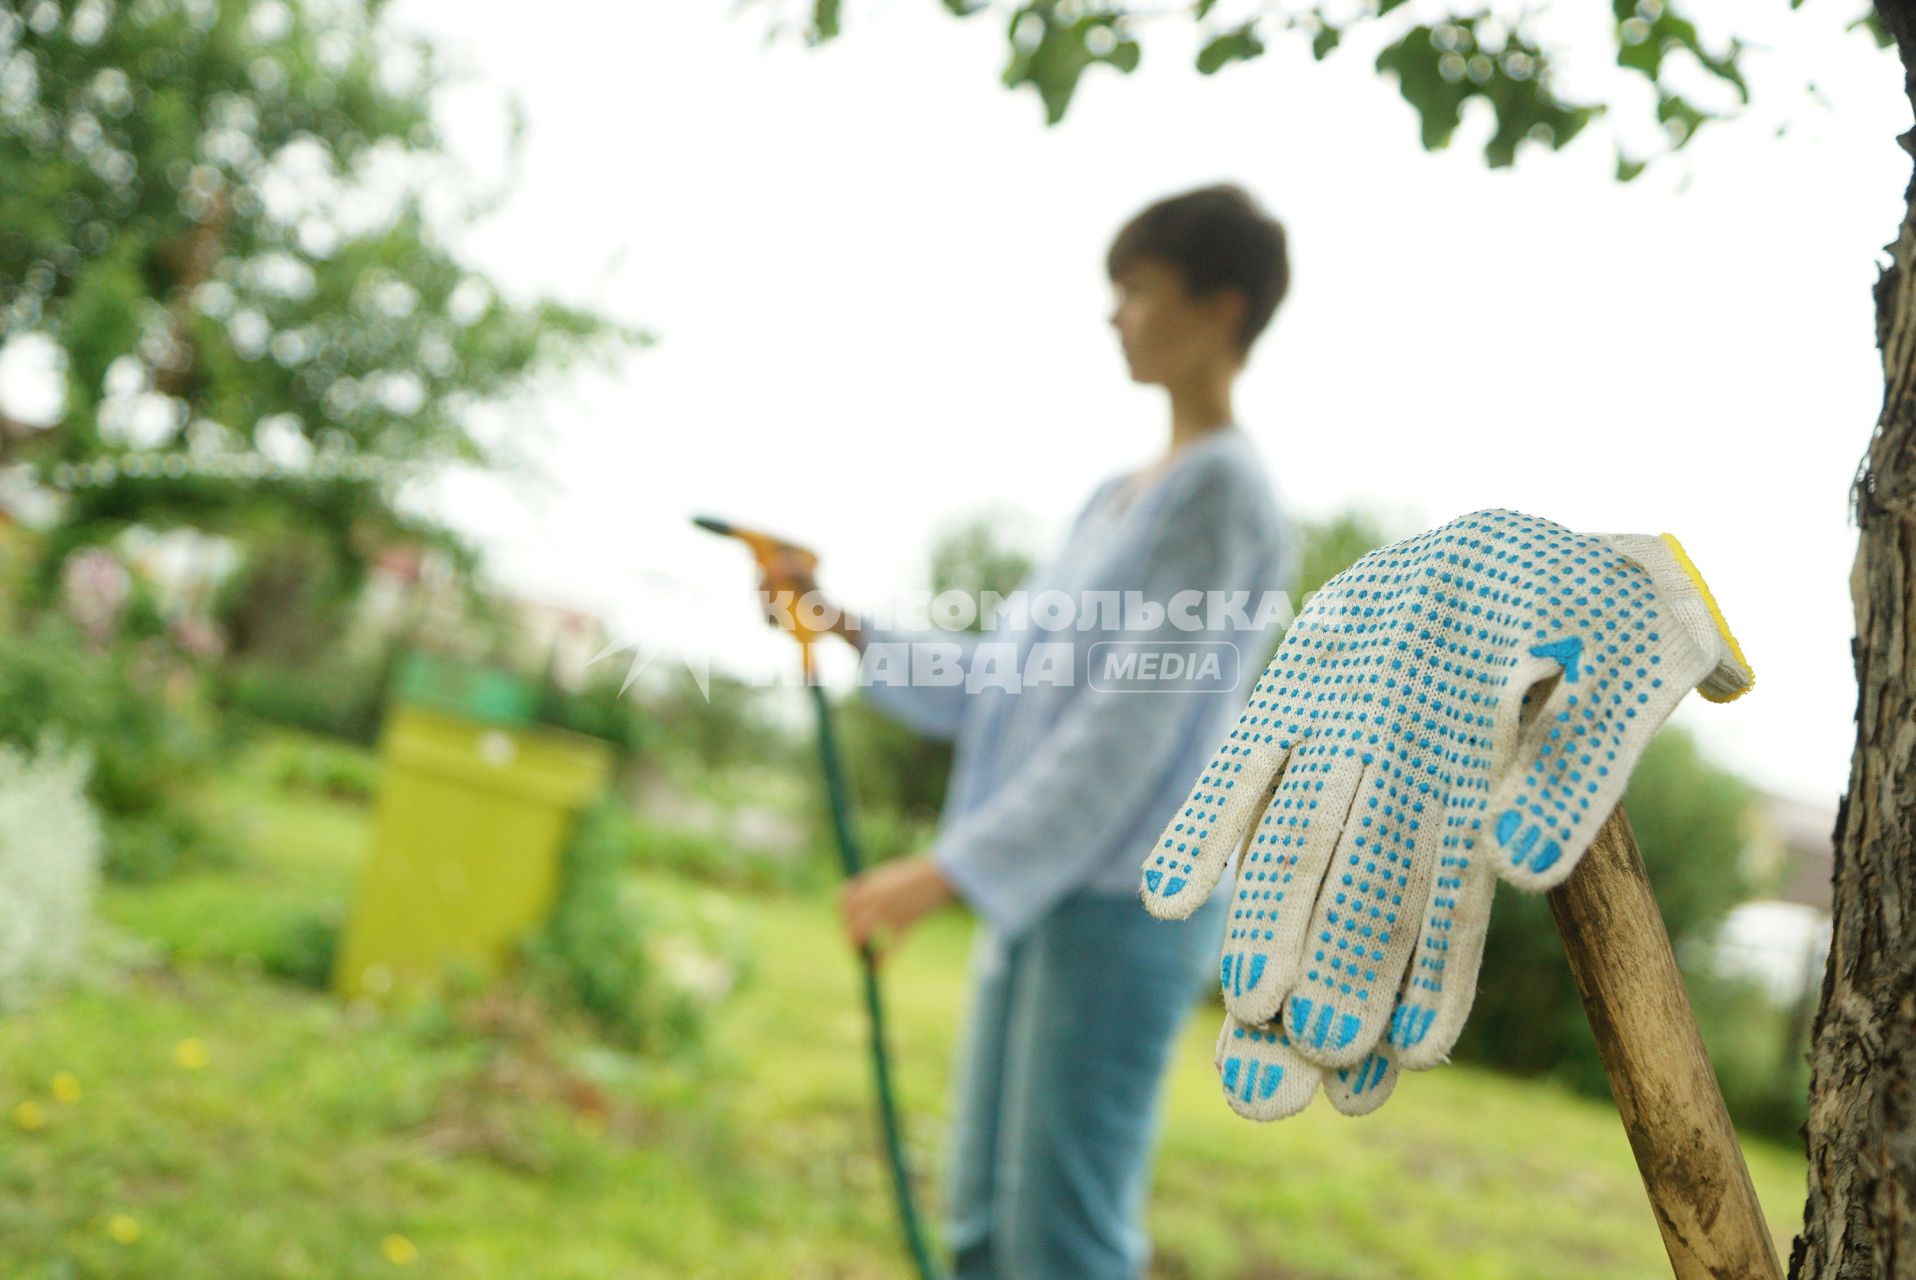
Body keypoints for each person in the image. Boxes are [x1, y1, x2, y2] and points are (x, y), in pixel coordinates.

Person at [760, 183, 1297, 1280]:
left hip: (1121, 904)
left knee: (1058, 1236)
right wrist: (838, 621)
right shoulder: (1115, 493)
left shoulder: (1224, 494)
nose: (1114, 314)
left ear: (1218, 307)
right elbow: (1004, 683)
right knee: (979, 1225)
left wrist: (949, 869)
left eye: (1136, 289)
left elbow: (1126, 732)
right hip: (1048, 894)